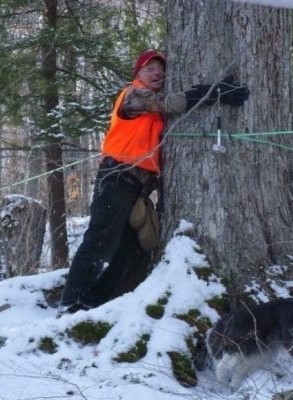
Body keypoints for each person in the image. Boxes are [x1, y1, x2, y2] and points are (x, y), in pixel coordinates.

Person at [60, 49, 249, 312]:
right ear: (138, 74)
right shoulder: (132, 95)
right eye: (150, 68)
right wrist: (213, 92)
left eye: (161, 69)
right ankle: (70, 301)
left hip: (135, 188)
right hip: (115, 178)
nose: (157, 72)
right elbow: (169, 103)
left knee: (132, 250)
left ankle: (94, 301)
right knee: (100, 240)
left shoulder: (154, 114)